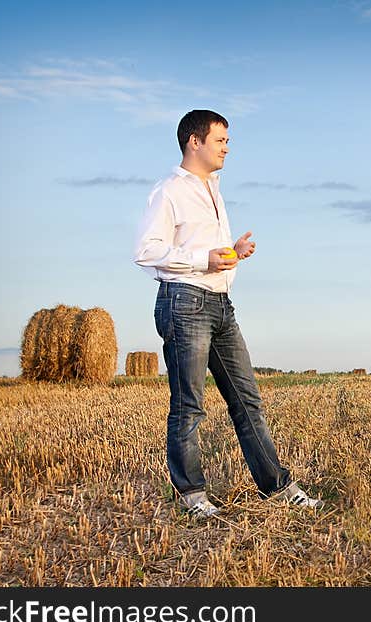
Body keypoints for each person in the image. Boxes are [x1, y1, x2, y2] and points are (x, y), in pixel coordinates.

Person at [134, 109, 323, 518]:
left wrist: (233, 252)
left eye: (227, 141)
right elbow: (146, 251)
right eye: (220, 140)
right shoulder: (169, 191)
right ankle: (193, 496)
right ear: (194, 142)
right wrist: (205, 258)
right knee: (189, 405)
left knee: (247, 401)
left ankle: (278, 488)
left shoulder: (213, 189)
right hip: (184, 303)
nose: (227, 147)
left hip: (220, 305)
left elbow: (210, 255)